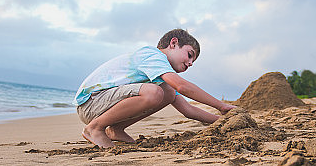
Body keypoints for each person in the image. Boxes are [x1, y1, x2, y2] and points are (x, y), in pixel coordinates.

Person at [74, 29, 234, 148]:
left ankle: (115, 129)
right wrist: (221, 106)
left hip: (102, 107)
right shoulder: (153, 55)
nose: (190, 63)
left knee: (168, 92)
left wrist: (225, 121)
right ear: (173, 43)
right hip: (91, 103)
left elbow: (188, 110)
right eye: (190, 55)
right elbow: (182, 86)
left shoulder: (160, 76)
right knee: (154, 93)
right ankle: (94, 128)